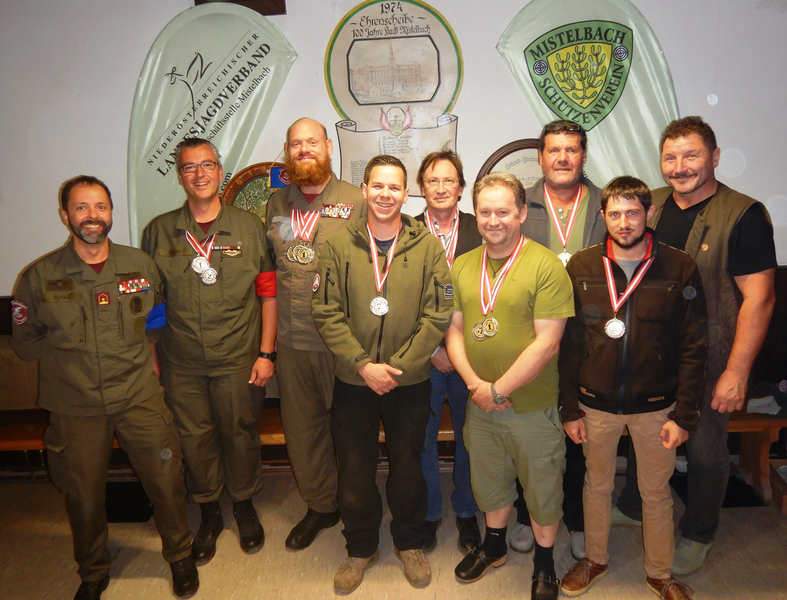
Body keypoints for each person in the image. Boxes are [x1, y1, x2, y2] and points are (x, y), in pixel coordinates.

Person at [11, 176, 198, 600]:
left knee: (166, 479)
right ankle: (93, 569)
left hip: (137, 396)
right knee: (83, 495)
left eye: (100, 207)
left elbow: (154, 321)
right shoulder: (39, 276)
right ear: (66, 216)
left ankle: (179, 554)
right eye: (81, 207)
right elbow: (26, 343)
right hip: (75, 404)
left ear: (111, 213)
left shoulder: (139, 265)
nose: (92, 216)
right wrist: (72, 360)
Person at [612, 117, 777, 574]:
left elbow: (760, 299)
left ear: (715, 157)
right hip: (650, 354)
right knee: (645, 434)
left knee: (704, 448)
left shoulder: (743, 214)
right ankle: (633, 506)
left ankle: (699, 531)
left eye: (692, 155)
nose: (679, 166)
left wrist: (737, 372)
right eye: (670, 157)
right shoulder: (650, 205)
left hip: (710, 358)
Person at [558, 176, 708, 600]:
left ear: (649, 214)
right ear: (603, 216)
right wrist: (570, 408)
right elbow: (568, 345)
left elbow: (694, 347)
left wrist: (684, 416)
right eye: (615, 214)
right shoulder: (581, 266)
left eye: (633, 213)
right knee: (596, 486)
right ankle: (595, 560)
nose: (624, 222)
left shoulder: (679, 267)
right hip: (595, 405)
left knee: (655, 492)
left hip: (656, 406)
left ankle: (660, 574)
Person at [311, 155, 452, 594]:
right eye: (377, 186)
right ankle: (360, 548)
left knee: (408, 466)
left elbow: (438, 312)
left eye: (394, 187)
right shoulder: (338, 244)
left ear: (406, 193)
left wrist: (400, 366)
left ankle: (409, 543)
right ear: (365, 189)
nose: (385, 195)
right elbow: (326, 310)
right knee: (355, 468)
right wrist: (362, 364)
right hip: (355, 379)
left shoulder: (427, 246)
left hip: (409, 381)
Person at [141, 138, 277, 564]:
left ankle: (244, 503)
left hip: (238, 355)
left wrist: (267, 354)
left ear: (220, 171)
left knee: (239, 432)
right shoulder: (159, 231)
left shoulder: (250, 227)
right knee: (194, 438)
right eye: (189, 167)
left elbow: (268, 294)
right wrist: (153, 360)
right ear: (180, 176)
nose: (199, 174)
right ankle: (209, 511)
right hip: (181, 360)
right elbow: (153, 303)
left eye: (207, 165)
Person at [446, 173, 574, 600]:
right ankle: (494, 545)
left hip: (531, 405)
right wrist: (475, 385)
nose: (493, 220)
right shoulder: (463, 265)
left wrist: (498, 389)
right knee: (489, 480)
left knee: (542, 487)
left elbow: (548, 342)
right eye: (485, 212)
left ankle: (544, 563)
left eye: (503, 211)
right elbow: (454, 331)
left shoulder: (546, 266)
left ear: (521, 213)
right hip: (479, 401)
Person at [266, 118, 365, 550]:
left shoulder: (355, 200)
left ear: (328, 146)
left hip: (341, 341)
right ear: (288, 151)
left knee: (349, 431)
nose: (304, 149)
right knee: (303, 432)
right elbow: (271, 272)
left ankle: (357, 505)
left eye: (311, 142)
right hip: (292, 341)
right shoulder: (276, 203)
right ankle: (322, 506)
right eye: (295, 144)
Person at [514, 119, 607, 560]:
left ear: (583, 156)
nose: (563, 158)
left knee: (581, 432)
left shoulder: (607, 205)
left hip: (590, 337)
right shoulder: (520, 204)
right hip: (531, 333)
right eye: (554, 150)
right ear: (541, 158)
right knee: (530, 430)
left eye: (572, 150)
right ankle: (526, 513)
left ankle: (579, 518)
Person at [414, 150, 483, 553]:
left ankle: (467, 511)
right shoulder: (405, 231)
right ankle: (429, 513)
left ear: (461, 187)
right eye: (432, 180)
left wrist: (457, 351)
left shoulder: (481, 227)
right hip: (423, 358)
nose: (440, 188)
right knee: (422, 440)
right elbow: (395, 299)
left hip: (470, 357)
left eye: (448, 180)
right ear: (421, 188)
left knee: (469, 438)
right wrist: (432, 349)